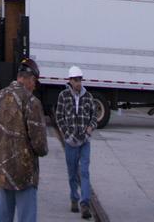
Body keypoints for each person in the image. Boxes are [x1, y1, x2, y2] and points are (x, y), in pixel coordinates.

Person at [0, 56, 48, 222]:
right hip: (24, 176)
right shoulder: (31, 102)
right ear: (30, 79)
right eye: (35, 82)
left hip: (2, 171)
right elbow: (40, 145)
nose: (35, 86)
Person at [54, 64, 96, 218]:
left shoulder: (88, 97)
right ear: (70, 80)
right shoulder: (63, 96)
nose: (78, 83)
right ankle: (74, 198)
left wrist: (90, 127)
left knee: (84, 171)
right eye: (75, 80)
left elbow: (94, 116)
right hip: (71, 142)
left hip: (85, 141)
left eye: (80, 79)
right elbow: (59, 116)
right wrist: (66, 134)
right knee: (72, 173)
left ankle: (85, 203)